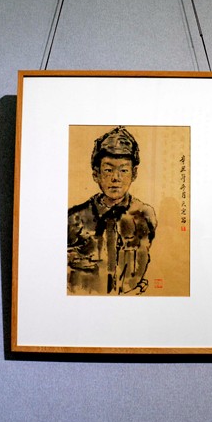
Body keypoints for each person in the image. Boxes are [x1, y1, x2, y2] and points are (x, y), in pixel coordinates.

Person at [67, 126, 157, 295]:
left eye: (123, 170)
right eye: (108, 170)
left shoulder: (145, 216)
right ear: (96, 174)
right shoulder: (73, 218)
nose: (116, 178)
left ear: (134, 173)